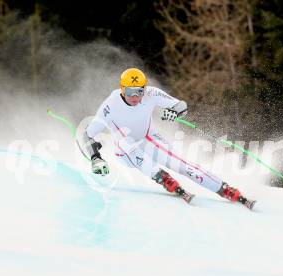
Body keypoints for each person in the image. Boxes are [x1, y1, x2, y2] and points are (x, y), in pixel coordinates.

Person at [80, 68, 255, 209]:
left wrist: (175, 112)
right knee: (127, 144)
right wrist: (96, 158)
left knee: (183, 165)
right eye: (130, 91)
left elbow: (181, 105)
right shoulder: (111, 104)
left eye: (139, 91)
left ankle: (224, 189)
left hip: (149, 139)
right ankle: (162, 177)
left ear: (145, 89)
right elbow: (87, 133)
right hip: (124, 150)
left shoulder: (151, 94)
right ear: (122, 88)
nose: (135, 97)